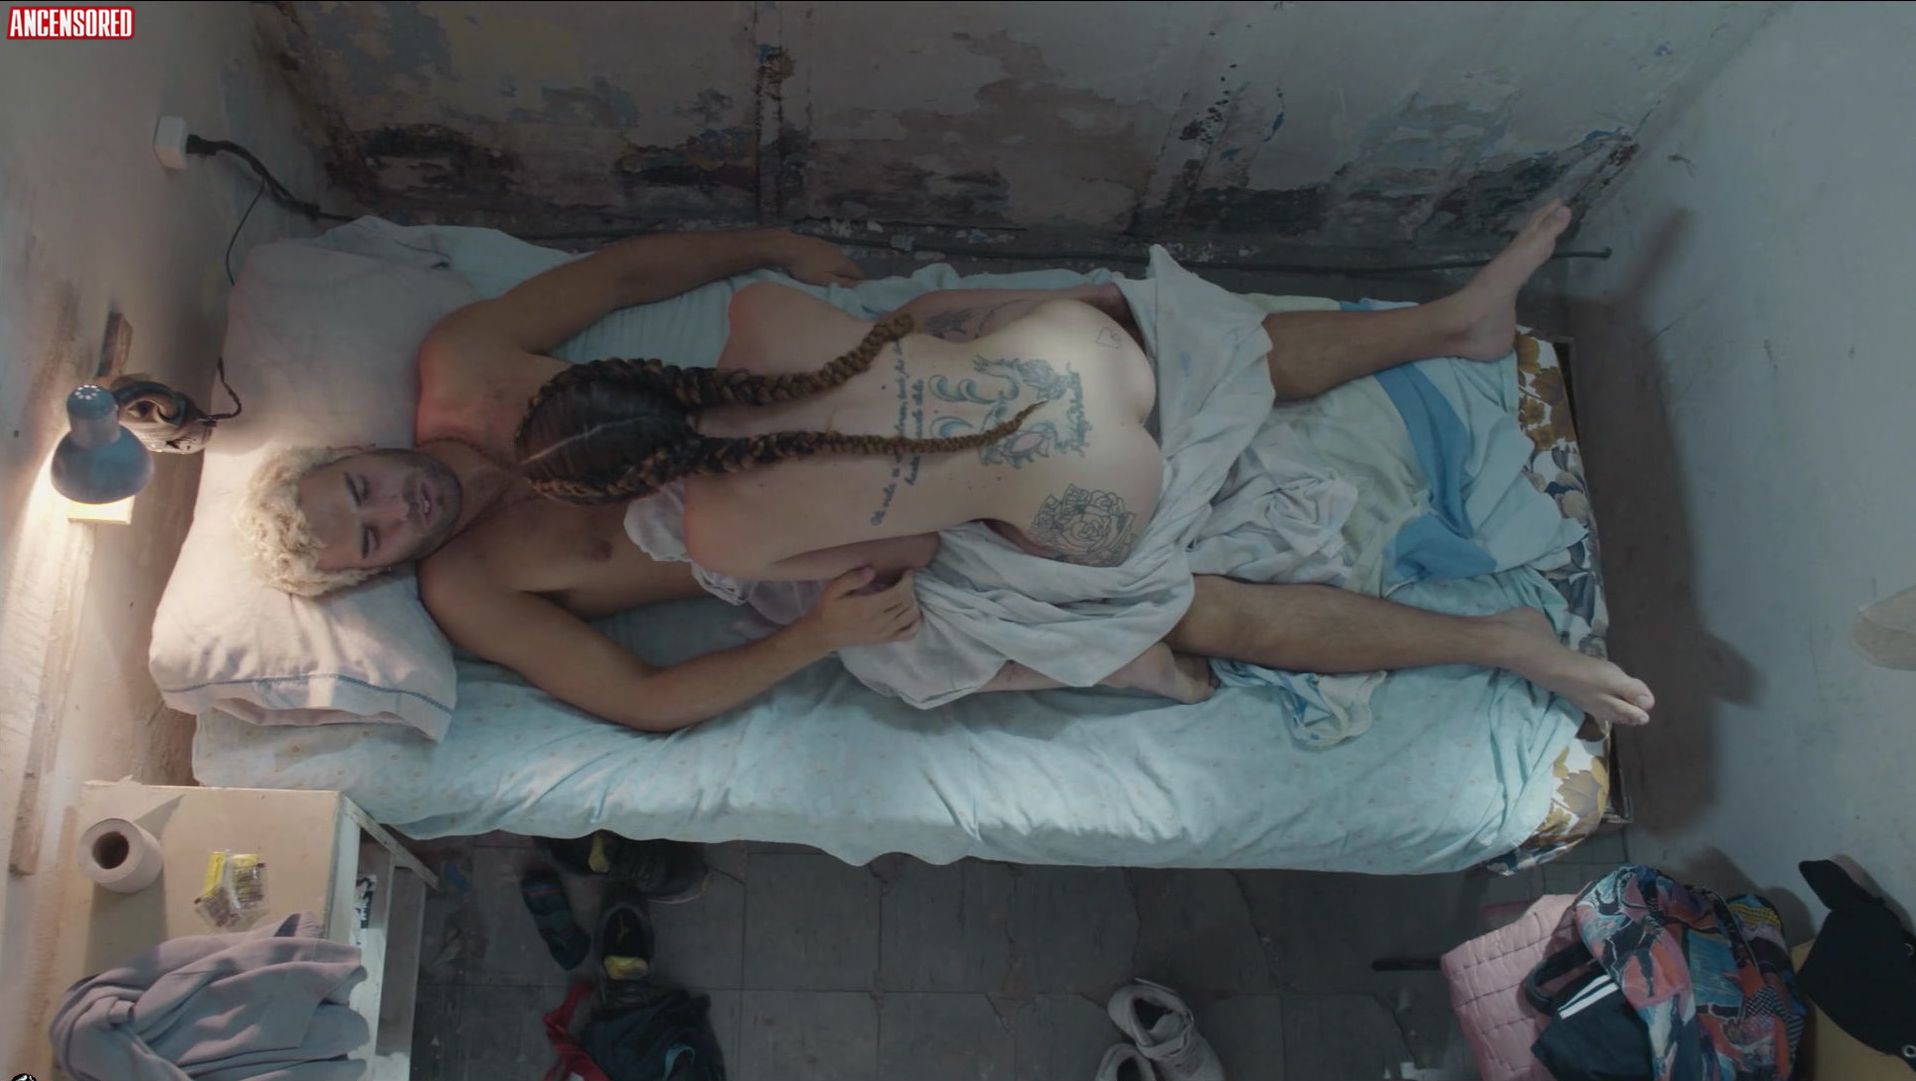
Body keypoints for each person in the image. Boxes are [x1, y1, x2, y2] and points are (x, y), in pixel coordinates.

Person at [239, 204, 1656, 733]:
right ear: (388, 572)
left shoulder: (467, 358)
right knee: (1179, 592)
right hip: (825, 565)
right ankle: (1497, 641)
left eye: (359, 487)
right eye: (373, 538)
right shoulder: (481, 586)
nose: (394, 507)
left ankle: (1449, 325)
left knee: (1169, 367)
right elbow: (647, 697)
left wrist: (769, 239)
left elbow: (618, 274)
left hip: (815, 467)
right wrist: (823, 638)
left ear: (359, 447)